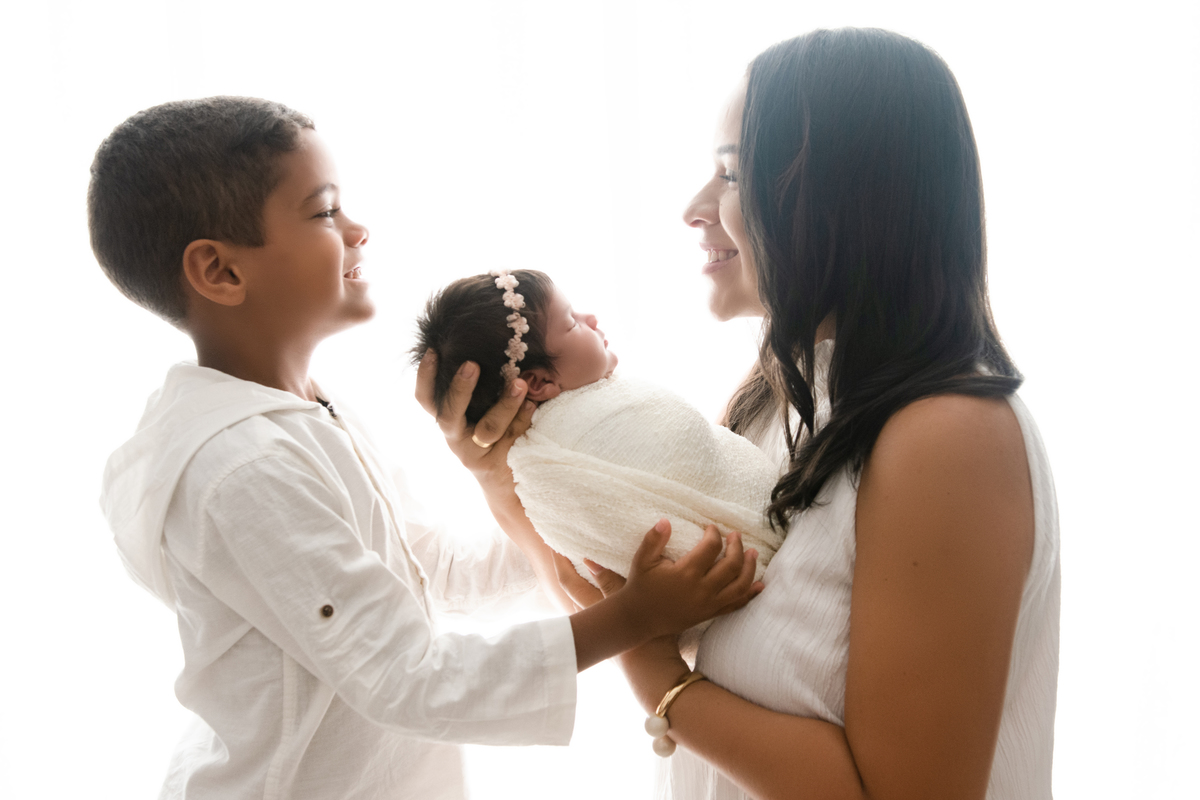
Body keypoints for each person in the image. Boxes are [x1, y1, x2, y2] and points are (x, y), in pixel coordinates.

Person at [421, 27, 1059, 800]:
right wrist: (498, 480)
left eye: (730, 172)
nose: (695, 209)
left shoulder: (947, 437)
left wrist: (659, 683)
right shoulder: (778, 402)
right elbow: (618, 590)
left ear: (839, 191)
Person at [89, 96, 761, 800]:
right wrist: (633, 617)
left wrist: (598, 524)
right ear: (221, 272)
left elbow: (432, 574)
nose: (358, 229)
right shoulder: (242, 467)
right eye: (323, 213)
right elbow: (405, 678)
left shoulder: (310, 412)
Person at [412, 269, 781, 591]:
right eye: (571, 322)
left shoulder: (602, 409)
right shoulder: (552, 458)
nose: (590, 318)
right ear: (536, 383)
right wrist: (494, 484)